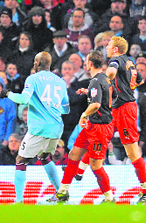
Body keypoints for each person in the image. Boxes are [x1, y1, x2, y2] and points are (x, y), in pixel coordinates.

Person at [7, 52, 70, 203]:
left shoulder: (33, 79)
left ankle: (19, 201)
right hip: (56, 127)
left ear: (36, 63)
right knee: (44, 157)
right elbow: (66, 109)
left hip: (39, 128)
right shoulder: (60, 81)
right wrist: (51, 109)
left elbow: (23, 99)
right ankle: (61, 194)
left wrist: (8, 93)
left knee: (21, 160)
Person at [53, 50, 114, 203]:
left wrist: (84, 115)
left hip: (99, 127)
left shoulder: (95, 81)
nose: (86, 64)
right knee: (73, 154)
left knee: (95, 165)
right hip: (91, 126)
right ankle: (62, 193)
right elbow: (107, 99)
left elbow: (96, 104)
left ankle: (109, 198)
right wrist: (88, 92)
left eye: (87, 61)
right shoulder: (104, 79)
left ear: (91, 64)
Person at [104, 36, 146, 203]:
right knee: (96, 132)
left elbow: (111, 72)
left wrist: (104, 82)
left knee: (132, 152)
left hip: (125, 108)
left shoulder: (116, 60)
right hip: (119, 108)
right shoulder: (130, 62)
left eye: (109, 45)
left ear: (116, 49)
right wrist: (125, 87)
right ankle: (79, 170)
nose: (107, 47)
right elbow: (139, 81)